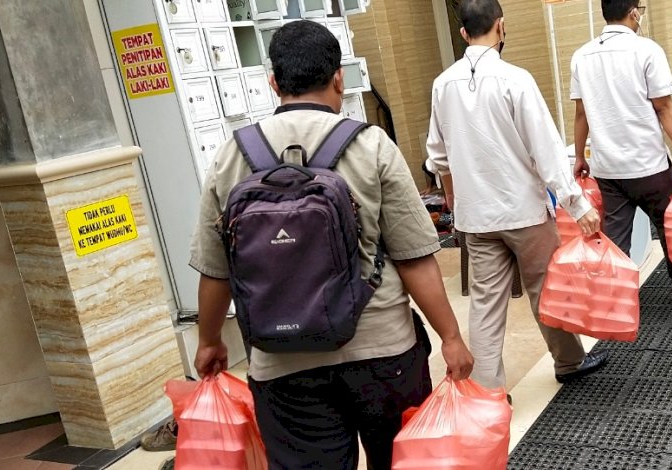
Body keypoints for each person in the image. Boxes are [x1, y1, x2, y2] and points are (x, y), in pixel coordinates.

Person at [188, 20, 473, 469]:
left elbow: (216, 269)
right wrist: (452, 337)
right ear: (339, 78)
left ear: (273, 82)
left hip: (282, 364)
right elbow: (415, 257)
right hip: (382, 353)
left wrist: (209, 341)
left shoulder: (231, 155)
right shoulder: (372, 145)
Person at [426, 0, 609, 389]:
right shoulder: (515, 79)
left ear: (463, 33)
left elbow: (438, 158)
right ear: (501, 27)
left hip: (476, 218)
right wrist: (577, 205)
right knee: (546, 288)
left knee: (485, 306)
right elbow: (545, 150)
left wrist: (457, 208)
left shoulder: (442, 85)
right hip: (524, 212)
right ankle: (569, 362)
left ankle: (489, 392)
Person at [571, 0, 672, 304]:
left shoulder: (581, 56)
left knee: (615, 236)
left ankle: (614, 300)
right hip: (648, 165)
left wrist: (579, 156)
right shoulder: (646, 50)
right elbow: (664, 106)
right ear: (633, 12)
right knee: (670, 225)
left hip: (607, 168)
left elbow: (580, 113)